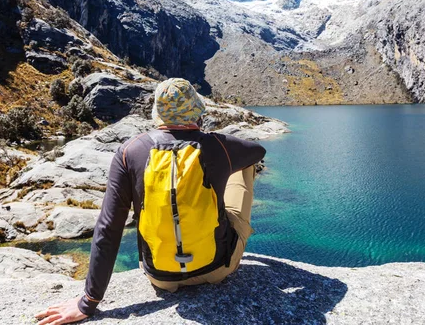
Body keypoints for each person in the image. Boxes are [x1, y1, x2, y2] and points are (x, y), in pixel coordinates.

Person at [36, 78, 266, 324]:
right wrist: (216, 150)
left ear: (158, 114)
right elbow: (257, 151)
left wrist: (88, 302)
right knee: (245, 167)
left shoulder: (129, 152)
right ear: (197, 112)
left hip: (161, 277)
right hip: (217, 268)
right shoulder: (219, 146)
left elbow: (108, 227)